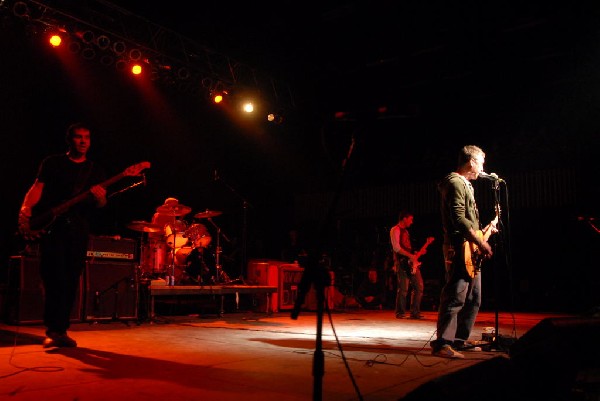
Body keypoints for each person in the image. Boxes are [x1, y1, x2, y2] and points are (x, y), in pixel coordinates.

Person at [17, 122, 107, 348]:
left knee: (69, 280)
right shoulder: (53, 163)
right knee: (52, 278)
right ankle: (53, 330)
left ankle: (61, 330)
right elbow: (37, 188)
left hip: (78, 230)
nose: (83, 141)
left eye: (87, 137)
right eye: (78, 137)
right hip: (53, 228)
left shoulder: (95, 170)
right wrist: (25, 210)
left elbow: (103, 203)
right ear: (70, 140)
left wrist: (99, 198)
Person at [430, 145, 497, 359]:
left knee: (473, 297)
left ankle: (459, 341)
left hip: (470, 248)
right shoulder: (455, 182)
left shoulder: (466, 184)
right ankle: (443, 343)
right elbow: (458, 218)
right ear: (471, 162)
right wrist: (480, 241)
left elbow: (469, 221)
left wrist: (486, 231)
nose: (483, 168)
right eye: (481, 163)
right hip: (458, 247)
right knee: (455, 295)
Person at [390, 211, 432, 320]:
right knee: (403, 288)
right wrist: (410, 255)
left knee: (419, 286)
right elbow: (396, 248)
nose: (412, 222)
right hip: (402, 262)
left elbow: (407, 248)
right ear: (404, 218)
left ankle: (415, 312)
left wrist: (416, 253)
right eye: (410, 219)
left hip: (410, 262)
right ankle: (400, 312)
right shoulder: (395, 230)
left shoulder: (406, 232)